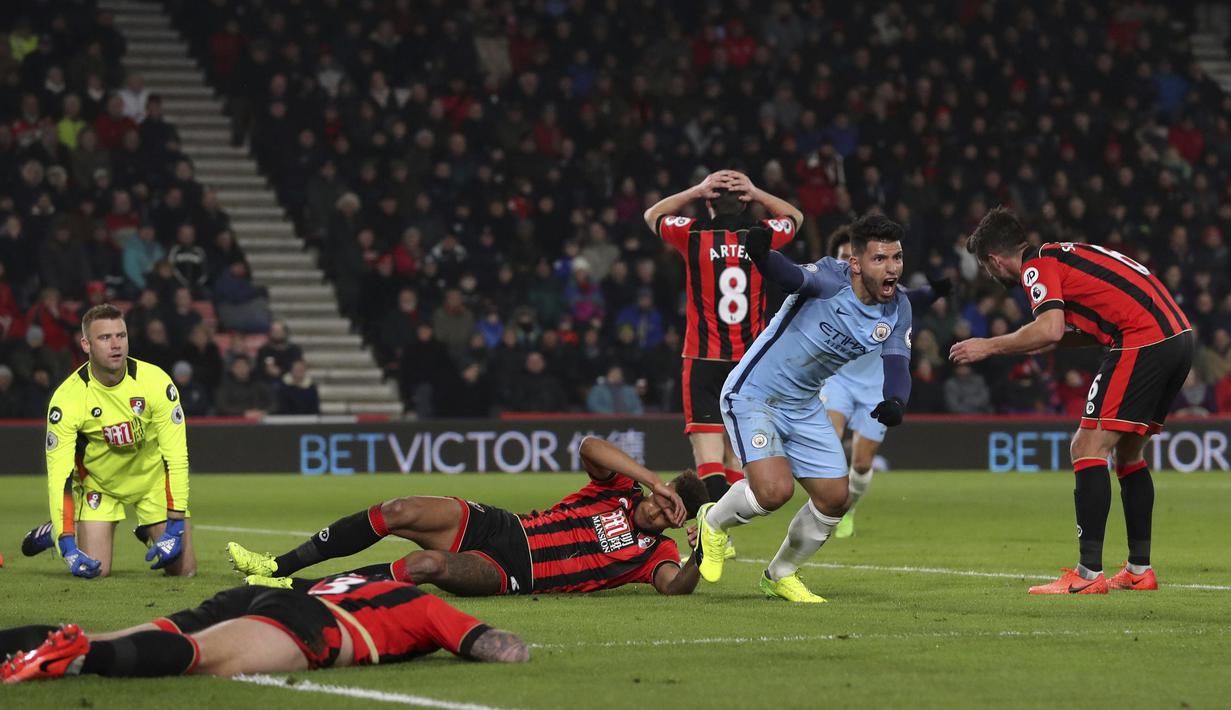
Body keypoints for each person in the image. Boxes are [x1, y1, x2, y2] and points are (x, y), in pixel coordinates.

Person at [951, 207, 1193, 594]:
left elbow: (1049, 327)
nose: (991, 276)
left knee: (1086, 446)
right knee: (1129, 455)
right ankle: (1138, 570)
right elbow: (1061, 331)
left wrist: (990, 345)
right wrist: (1031, 342)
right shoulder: (1065, 254)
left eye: (987, 268)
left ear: (995, 260)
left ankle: (1087, 574)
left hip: (1142, 339)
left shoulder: (1036, 266)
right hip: (1178, 336)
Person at [692, 214, 913, 603]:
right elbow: (791, 276)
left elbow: (897, 361)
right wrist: (761, 255)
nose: (892, 268)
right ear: (856, 263)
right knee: (773, 491)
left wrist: (896, 400)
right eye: (881, 259)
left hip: (805, 403)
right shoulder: (831, 279)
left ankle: (780, 574)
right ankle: (712, 523)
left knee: (834, 499)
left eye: (896, 258)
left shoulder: (899, 308)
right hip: (754, 393)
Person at [227, 437, 707, 597]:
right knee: (399, 510)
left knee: (428, 567)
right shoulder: (620, 487)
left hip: (517, 572)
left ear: (673, 522)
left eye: (669, 512)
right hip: (505, 525)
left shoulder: (656, 552)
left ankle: (298, 590)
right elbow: (588, 446)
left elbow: (673, 586)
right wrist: (653, 477)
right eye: (661, 498)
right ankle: (276, 566)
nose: (658, 510)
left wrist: (701, 550)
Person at [0, 573, 527, 683]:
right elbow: (500, 649)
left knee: (116, 633)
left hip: (276, 596)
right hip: (312, 624)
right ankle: (75, 659)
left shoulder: (363, 580)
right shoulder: (430, 610)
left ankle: (57, 647)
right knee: (199, 656)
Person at [643, 169, 800, 514]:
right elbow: (795, 218)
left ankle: (714, 533)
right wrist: (757, 192)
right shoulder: (762, 235)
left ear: (709, 203)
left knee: (707, 456)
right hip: (749, 362)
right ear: (743, 203)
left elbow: (652, 214)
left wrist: (696, 189)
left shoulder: (692, 233)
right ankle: (723, 526)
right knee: (734, 453)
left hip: (703, 358)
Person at [19, 304, 196, 578]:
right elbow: (60, 476)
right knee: (96, 571)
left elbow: (176, 457)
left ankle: (151, 528)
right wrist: (66, 544)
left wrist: (175, 526)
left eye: (121, 336)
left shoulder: (156, 382)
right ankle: (58, 528)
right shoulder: (67, 400)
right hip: (100, 485)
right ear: (86, 344)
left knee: (183, 570)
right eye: (104, 338)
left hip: (152, 482)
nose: (116, 345)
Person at [819, 226, 950, 538]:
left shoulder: (885, 292)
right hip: (837, 380)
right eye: (841, 256)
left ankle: (848, 507)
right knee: (828, 439)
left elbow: (913, 297)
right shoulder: (826, 288)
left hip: (874, 386)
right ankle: (824, 506)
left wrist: (935, 291)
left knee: (862, 464)